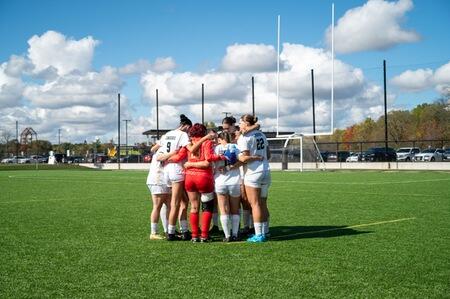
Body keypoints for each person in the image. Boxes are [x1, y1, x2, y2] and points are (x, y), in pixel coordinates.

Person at [168, 123, 224, 242]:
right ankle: (204, 235)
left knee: (193, 207)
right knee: (207, 207)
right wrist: (221, 157)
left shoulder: (187, 144)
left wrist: (165, 158)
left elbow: (178, 157)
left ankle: (194, 236)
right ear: (203, 132)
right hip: (204, 177)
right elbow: (208, 160)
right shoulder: (207, 142)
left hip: (190, 178)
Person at [157, 114, 192, 241]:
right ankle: (171, 232)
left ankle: (184, 230)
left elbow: (159, 153)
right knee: (175, 203)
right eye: (189, 129)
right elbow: (189, 148)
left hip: (166, 168)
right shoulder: (183, 135)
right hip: (176, 168)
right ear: (186, 126)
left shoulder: (168, 134)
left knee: (183, 201)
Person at [237, 114, 271, 243]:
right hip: (266, 170)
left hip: (253, 172)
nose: (239, 125)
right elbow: (268, 154)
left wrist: (241, 157)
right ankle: (266, 231)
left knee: (255, 204)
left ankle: (259, 234)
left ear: (246, 123)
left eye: (241, 122)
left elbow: (244, 158)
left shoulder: (244, 137)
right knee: (263, 203)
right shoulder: (261, 134)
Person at [146, 139, 171, 240]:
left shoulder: (164, 148)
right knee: (157, 206)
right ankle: (153, 232)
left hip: (163, 181)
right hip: (157, 180)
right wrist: (174, 153)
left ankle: (169, 230)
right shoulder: (162, 149)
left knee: (169, 205)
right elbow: (160, 157)